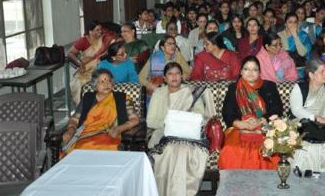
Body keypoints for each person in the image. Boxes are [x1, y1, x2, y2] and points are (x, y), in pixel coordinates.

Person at [147, 62, 216, 195]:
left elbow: (201, 116)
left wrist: (182, 120)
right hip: (164, 133)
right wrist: (170, 121)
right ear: (165, 78)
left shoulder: (190, 92)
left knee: (184, 150)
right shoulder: (159, 93)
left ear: (182, 76)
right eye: (170, 74)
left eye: (177, 73)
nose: (174, 77)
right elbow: (151, 121)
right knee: (169, 150)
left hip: (188, 133)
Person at [218, 56, 283, 169]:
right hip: (239, 128)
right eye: (246, 69)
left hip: (264, 127)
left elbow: (277, 110)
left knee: (267, 149)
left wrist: (261, 121)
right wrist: (240, 123)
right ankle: (234, 185)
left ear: (259, 72)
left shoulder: (269, 87)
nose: (250, 73)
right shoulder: (234, 88)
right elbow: (227, 112)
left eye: (254, 69)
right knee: (231, 149)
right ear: (241, 71)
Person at [62, 69, 139, 154]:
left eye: (109, 81)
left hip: (111, 136)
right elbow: (75, 119)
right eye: (102, 82)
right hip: (86, 135)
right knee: (79, 149)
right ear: (95, 85)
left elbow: (135, 119)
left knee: (106, 148)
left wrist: (119, 128)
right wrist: (71, 130)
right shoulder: (88, 98)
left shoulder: (122, 98)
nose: (106, 84)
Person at [68, 21, 107, 105]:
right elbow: (70, 53)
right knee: (78, 83)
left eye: (101, 30)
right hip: (87, 69)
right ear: (90, 31)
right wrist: (80, 63)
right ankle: (81, 107)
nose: (100, 32)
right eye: (97, 30)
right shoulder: (83, 41)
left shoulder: (103, 39)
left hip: (101, 67)